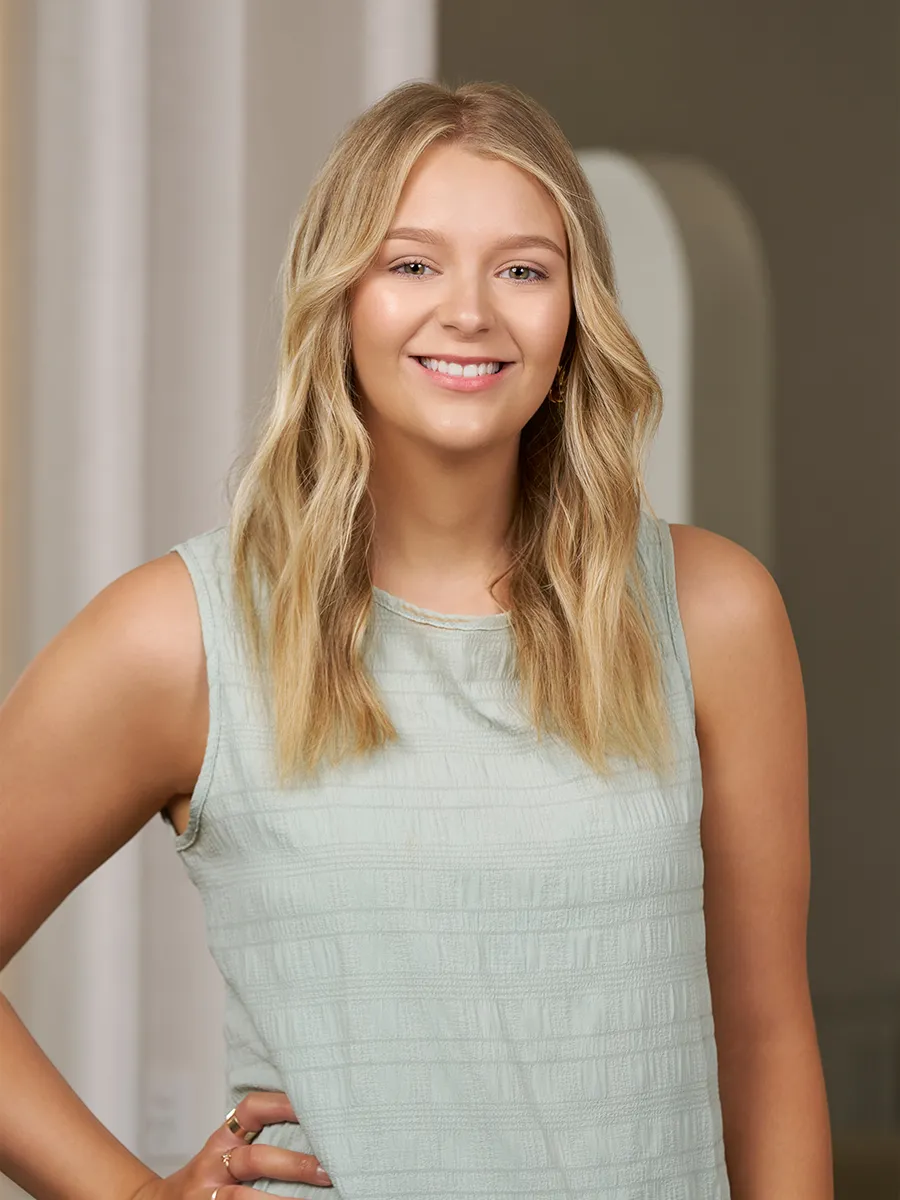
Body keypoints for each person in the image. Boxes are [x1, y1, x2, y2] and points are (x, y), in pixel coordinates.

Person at [0, 80, 832, 1200]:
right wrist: (132, 1197)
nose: (472, 312)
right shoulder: (181, 639)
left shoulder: (715, 612)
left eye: (525, 269)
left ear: (576, 309)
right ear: (339, 296)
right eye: (411, 263)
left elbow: (769, 1037)